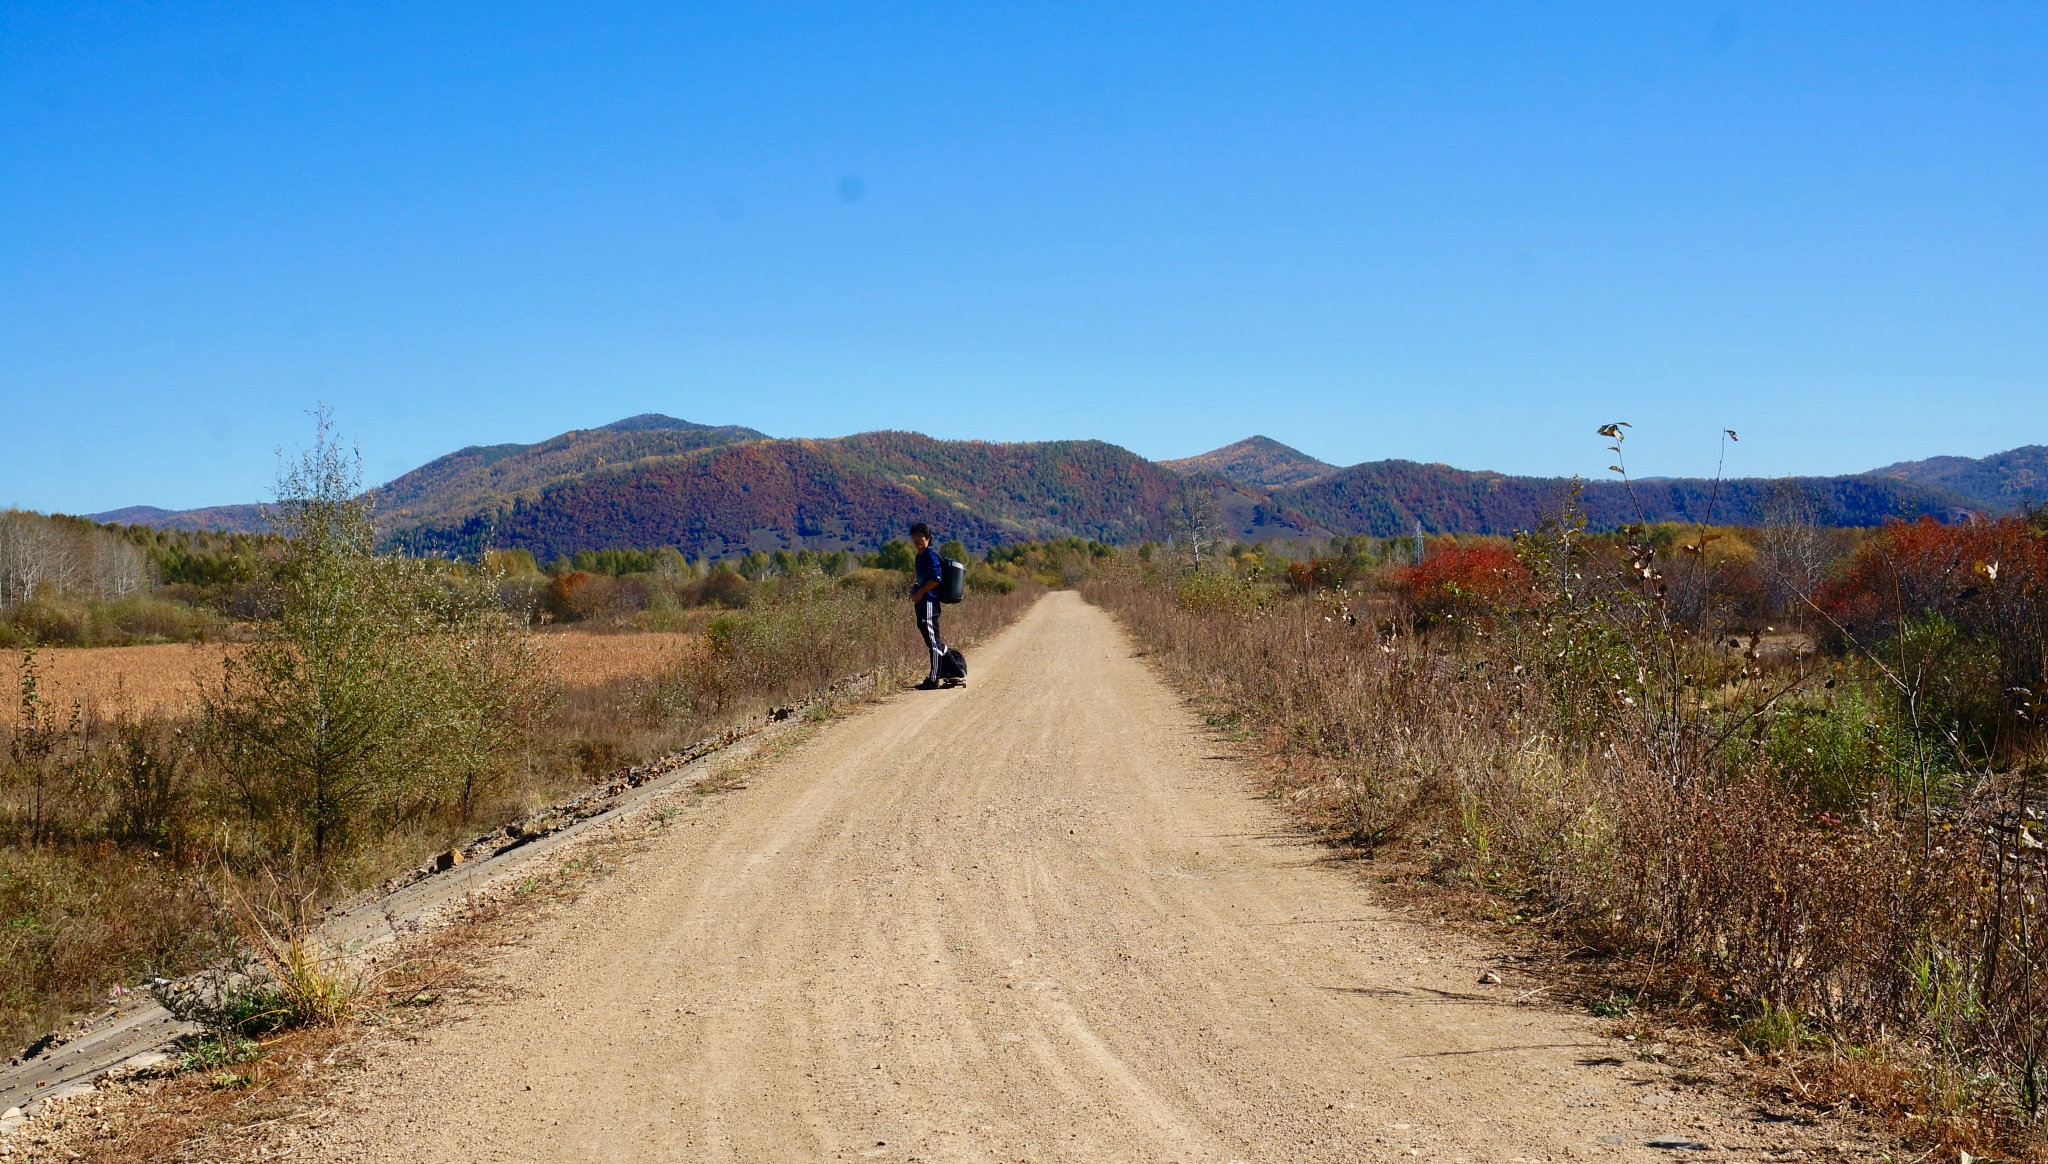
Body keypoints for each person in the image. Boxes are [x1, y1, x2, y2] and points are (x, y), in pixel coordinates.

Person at [908, 522, 953, 690]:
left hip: (929, 602)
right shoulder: (920, 556)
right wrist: (915, 590)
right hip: (923, 601)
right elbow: (923, 579)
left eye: (920, 536)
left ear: (928, 538)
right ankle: (954, 669)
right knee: (932, 640)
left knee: (933, 642)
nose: (917, 539)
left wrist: (921, 593)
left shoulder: (930, 555)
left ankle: (934, 679)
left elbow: (936, 578)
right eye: (914, 536)